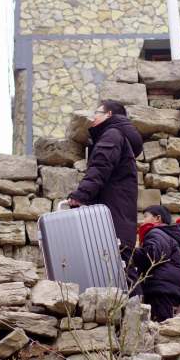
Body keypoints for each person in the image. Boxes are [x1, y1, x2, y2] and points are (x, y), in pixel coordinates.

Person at [67, 100, 144, 294]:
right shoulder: (119, 137)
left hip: (111, 215)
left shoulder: (112, 134)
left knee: (119, 265)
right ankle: (134, 315)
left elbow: (100, 166)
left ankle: (137, 317)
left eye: (97, 113)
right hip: (119, 214)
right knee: (119, 265)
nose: (93, 117)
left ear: (109, 114)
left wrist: (81, 195)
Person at [135, 205, 180, 322]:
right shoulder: (165, 234)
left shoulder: (157, 232)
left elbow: (152, 256)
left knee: (161, 326)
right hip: (165, 288)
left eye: (145, 217)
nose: (142, 221)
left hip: (161, 289)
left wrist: (130, 252)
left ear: (157, 218)